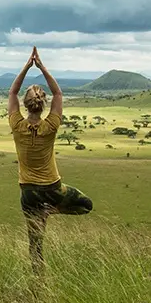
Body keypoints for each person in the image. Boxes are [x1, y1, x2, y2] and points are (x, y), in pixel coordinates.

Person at [8, 46, 93, 274]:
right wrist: (42, 67)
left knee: (35, 244)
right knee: (86, 205)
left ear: (26, 105)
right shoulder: (51, 125)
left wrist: (26, 67)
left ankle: (38, 284)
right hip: (53, 188)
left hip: (28, 192)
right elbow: (58, 94)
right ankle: (51, 211)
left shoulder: (17, 125)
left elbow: (11, 94)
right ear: (42, 104)